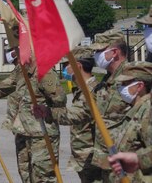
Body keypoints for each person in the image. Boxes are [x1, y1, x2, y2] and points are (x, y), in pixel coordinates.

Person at [0, 49, 67, 182]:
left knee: (43, 177)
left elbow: (60, 100)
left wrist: (45, 109)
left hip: (41, 134)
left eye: (19, 52)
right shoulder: (22, 70)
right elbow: (5, 86)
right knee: (25, 173)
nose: (16, 55)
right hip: (22, 131)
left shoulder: (45, 72)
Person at [33, 46, 101, 182]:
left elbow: (77, 115)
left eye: (66, 65)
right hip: (83, 154)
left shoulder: (92, 91)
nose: (64, 69)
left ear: (78, 66)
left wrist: (48, 112)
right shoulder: (81, 89)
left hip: (91, 154)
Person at [88, 29, 130, 177]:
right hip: (107, 160)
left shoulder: (132, 79)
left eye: (100, 50)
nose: (96, 55)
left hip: (126, 163)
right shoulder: (106, 81)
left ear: (115, 52)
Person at [103, 61, 152, 182]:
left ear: (140, 86)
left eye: (125, 84)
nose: (121, 88)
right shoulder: (135, 109)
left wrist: (138, 159)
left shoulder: (147, 113)